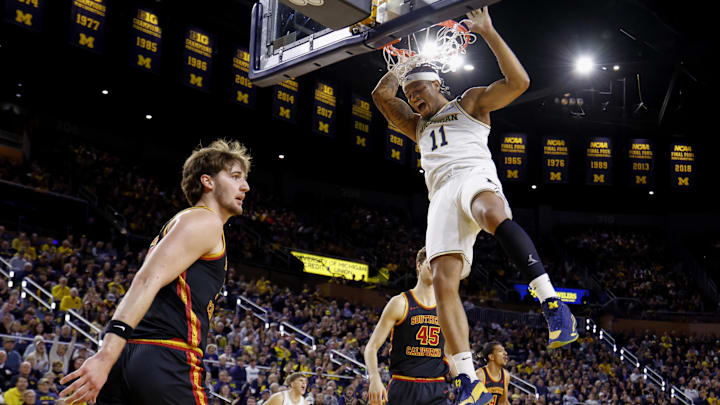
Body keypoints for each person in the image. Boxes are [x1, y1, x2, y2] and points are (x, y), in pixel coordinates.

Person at [371, 6, 577, 404]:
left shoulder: (468, 103)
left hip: (471, 175)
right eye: (411, 97)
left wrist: (489, 33)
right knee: (443, 280)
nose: (414, 101)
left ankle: (552, 303)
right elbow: (381, 96)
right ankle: (466, 375)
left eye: (419, 92)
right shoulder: (416, 126)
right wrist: (406, 64)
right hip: (440, 196)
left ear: (437, 86)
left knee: (491, 214)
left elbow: (519, 82)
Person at [60, 139, 252, 404]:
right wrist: (105, 355)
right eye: (235, 177)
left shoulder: (185, 223)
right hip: (166, 357)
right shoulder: (204, 220)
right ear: (208, 181)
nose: (245, 186)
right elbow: (146, 280)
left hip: (134, 356)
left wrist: (112, 356)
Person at [364, 247, 459, 405]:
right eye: (431, 263)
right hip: (404, 385)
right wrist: (374, 378)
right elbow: (371, 347)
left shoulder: (447, 308)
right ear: (419, 265)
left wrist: (464, 380)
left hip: (436, 387)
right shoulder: (400, 303)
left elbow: (448, 354)